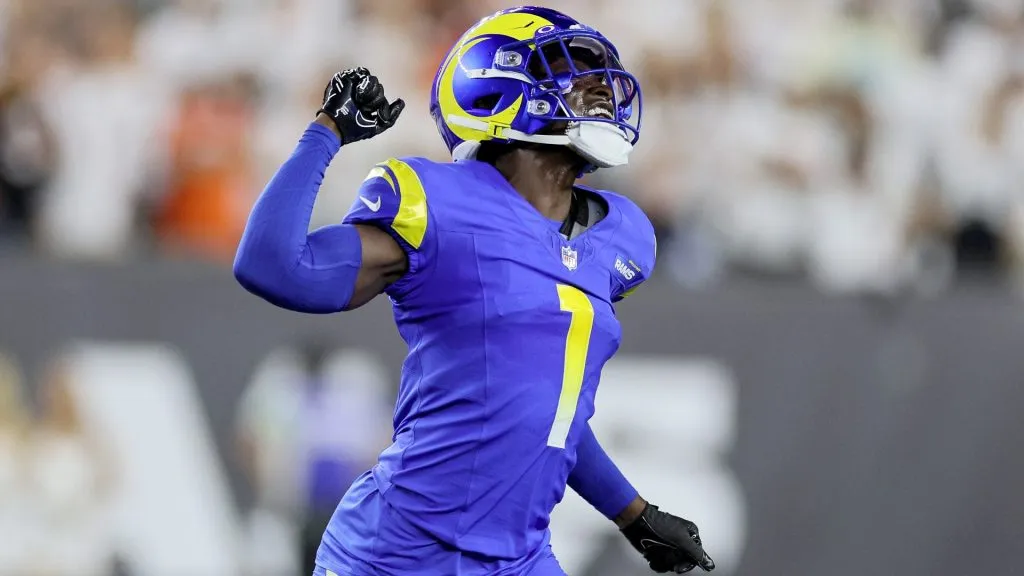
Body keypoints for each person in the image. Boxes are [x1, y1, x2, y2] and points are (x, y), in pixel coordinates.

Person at [234, 6, 716, 575]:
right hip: (397, 554)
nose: (599, 91)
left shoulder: (623, 234)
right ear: (494, 86)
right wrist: (326, 132)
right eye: (572, 71)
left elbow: (548, 410)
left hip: (519, 556)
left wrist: (635, 515)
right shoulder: (436, 201)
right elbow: (272, 266)